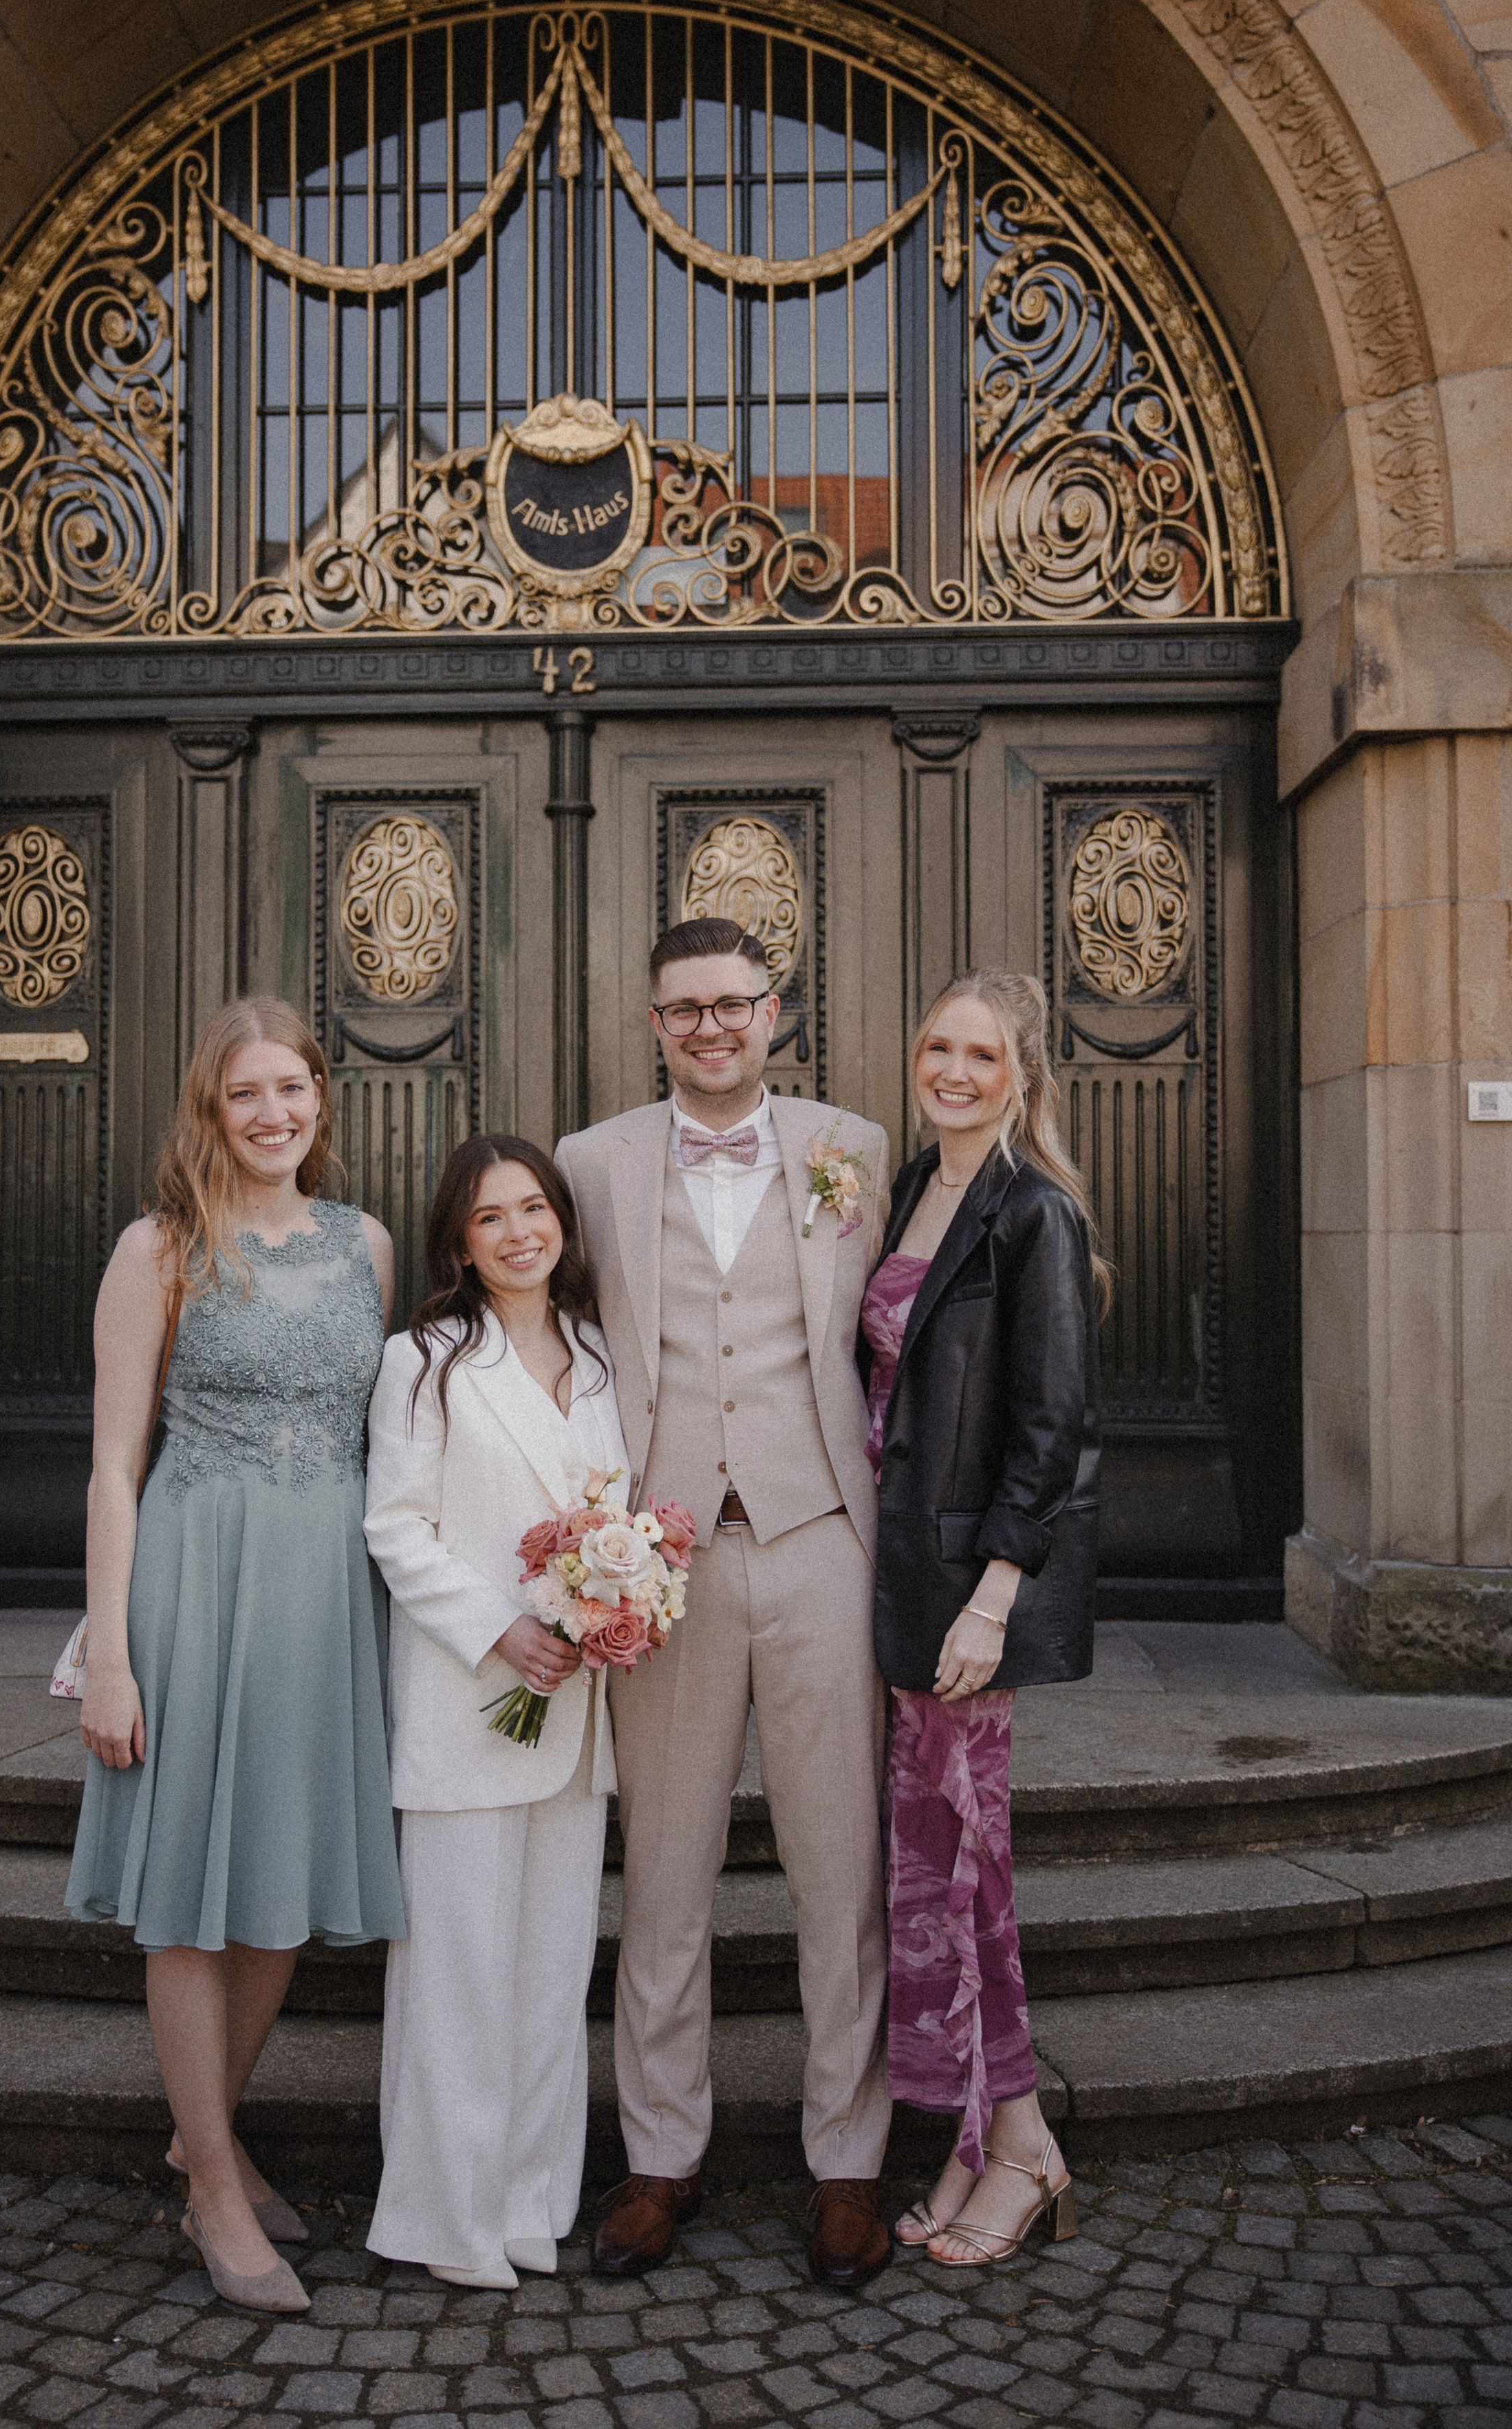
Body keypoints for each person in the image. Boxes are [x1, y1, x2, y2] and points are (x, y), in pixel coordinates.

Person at [557, 918, 893, 2289]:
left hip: (821, 1536)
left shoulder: (850, 1149)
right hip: (662, 1554)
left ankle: (850, 2162)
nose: (711, 1025)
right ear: (654, 1024)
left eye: (733, 1004)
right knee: (667, 1875)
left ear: (772, 1013)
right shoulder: (589, 1164)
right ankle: (659, 2157)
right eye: (684, 1009)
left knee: (839, 1871)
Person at [67, 996, 403, 2313]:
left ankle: (203, 2133)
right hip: (197, 1580)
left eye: (295, 1090)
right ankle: (213, 2182)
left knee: (280, 1871)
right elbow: (111, 1462)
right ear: (211, 1109)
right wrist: (109, 1655)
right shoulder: (159, 1247)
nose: (275, 1114)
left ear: (322, 1100)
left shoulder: (366, 1242)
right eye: (246, 1094)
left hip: (326, 1587)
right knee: (190, 1877)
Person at [863, 969, 1103, 2267]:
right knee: (926, 1876)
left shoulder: (1034, 1213)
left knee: (974, 1874)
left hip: (968, 1600)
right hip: (897, 1585)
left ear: (1023, 1075)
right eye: (937, 1045)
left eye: (981, 1054)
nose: (953, 1070)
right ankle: (971, 2133)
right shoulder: (910, 1187)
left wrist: (995, 1602)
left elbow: (1053, 1431)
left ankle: (1022, 2145)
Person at [363, 1136, 623, 2291]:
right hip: (470, 1703)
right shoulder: (423, 1361)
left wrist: (617, 1600)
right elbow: (395, 1529)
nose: (520, 1233)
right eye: (490, 1220)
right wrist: (499, 1629)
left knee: (550, 1977)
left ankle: (530, 2209)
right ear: (460, 1246)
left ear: (561, 1218)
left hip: (573, 1715)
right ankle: (445, 2218)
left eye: (534, 1209)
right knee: (459, 1979)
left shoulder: (603, 1357)